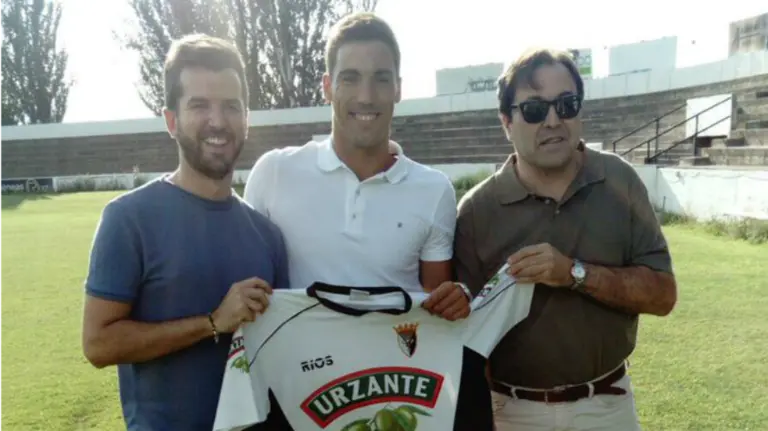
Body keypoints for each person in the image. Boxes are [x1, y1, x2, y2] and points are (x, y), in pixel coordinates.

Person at [242, 12, 494, 430]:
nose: (366, 95)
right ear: (327, 86)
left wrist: (456, 299)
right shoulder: (273, 173)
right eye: (350, 78)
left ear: (398, 88)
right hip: (299, 399)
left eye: (380, 78)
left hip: (391, 392)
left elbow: (434, 308)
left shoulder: (433, 190)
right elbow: (252, 299)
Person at [453, 48, 678, 431]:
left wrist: (573, 272)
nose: (554, 120)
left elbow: (663, 296)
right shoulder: (476, 211)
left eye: (567, 104)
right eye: (534, 110)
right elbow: (463, 336)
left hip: (608, 406)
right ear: (506, 122)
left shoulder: (618, 180)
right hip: (513, 413)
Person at [81, 34, 289, 431]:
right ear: (171, 121)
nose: (218, 121)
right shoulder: (128, 219)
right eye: (199, 105)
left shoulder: (267, 235)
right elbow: (98, 344)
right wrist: (211, 322)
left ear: (246, 119)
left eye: (231, 106)